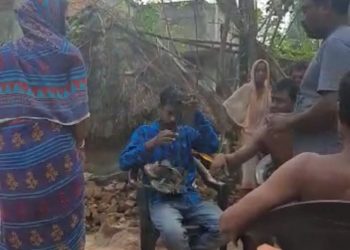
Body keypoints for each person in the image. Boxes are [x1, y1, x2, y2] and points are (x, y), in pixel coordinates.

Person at [220, 71, 350, 245]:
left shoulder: (305, 169)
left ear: (339, 114)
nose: (274, 106)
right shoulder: (272, 135)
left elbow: (228, 223)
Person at [0, 0, 89, 249]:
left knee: (16, 235)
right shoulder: (69, 54)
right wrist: (79, 146)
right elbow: (81, 126)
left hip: (10, 169)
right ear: (55, 13)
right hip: (58, 163)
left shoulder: (4, 55)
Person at [119, 86, 224, 250]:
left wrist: (196, 115)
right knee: (173, 233)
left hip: (191, 198)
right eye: (170, 113)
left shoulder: (187, 132)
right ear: (160, 109)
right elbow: (124, 162)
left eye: (178, 114)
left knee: (225, 225)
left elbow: (212, 146)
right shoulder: (145, 132)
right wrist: (152, 144)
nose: (174, 119)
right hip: (161, 201)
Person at [267, 0, 350, 156]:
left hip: (327, 156)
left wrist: (288, 122)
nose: (303, 19)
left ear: (325, 7)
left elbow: (332, 107)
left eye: (306, 10)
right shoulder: (340, 40)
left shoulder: (336, 43)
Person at [211, 79, 298, 177]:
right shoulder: (266, 132)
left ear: (296, 103)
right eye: (273, 100)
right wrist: (222, 158)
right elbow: (237, 157)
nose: (273, 105)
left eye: (280, 101)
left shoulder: (308, 131)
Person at [223, 59, 271, 193]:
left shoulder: (269, 93)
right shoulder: (247, 89)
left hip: (264, 135)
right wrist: (238, 125)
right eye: (258, 70)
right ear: (253, 72)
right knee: (248, 172)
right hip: (248, 135)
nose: (260, 73)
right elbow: (229, 105)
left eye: (263, 70)